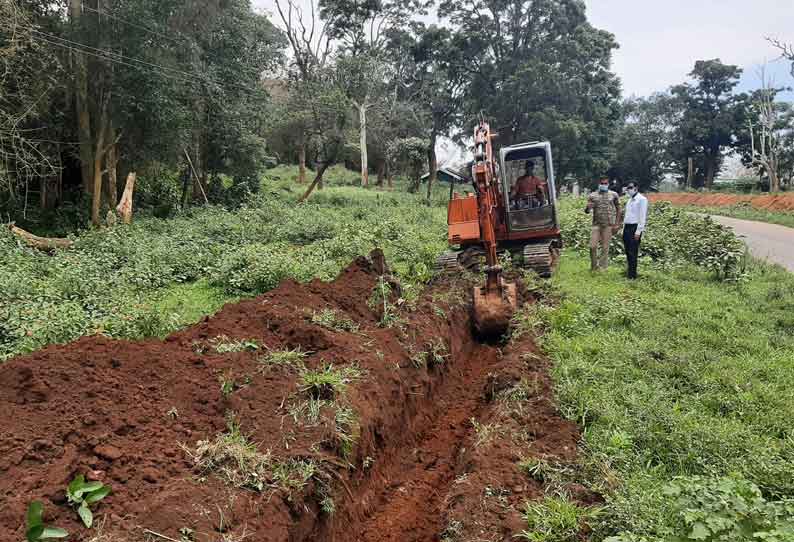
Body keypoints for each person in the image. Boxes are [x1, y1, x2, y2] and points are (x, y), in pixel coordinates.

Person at [585, 178, 621, 271]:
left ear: (608, 184)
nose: (604, 185)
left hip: (608, 225)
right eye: (602, 183)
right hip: (596, 224)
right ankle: (594, 267)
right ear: (599, 184)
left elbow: (618, 209)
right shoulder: (592, 195)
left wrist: (617, 224)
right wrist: (588, 208)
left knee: (605, 247)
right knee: (592, 246)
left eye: (605, 183)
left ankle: (602, 267)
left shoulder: (614, 194)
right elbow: (587, 211)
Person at [622, 182, 648, 279]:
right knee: (628, 251)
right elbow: (627, 216)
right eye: (628, 188)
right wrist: (623, 229)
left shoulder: (642, 200)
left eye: (631, 187)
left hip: (635, 228)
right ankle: (629, 271)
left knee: (633, 252)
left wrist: (638, 231)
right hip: (627, 227)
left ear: (636, 188)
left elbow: (642, 216)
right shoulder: (629, 200)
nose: (629, 189)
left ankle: (632, 275)